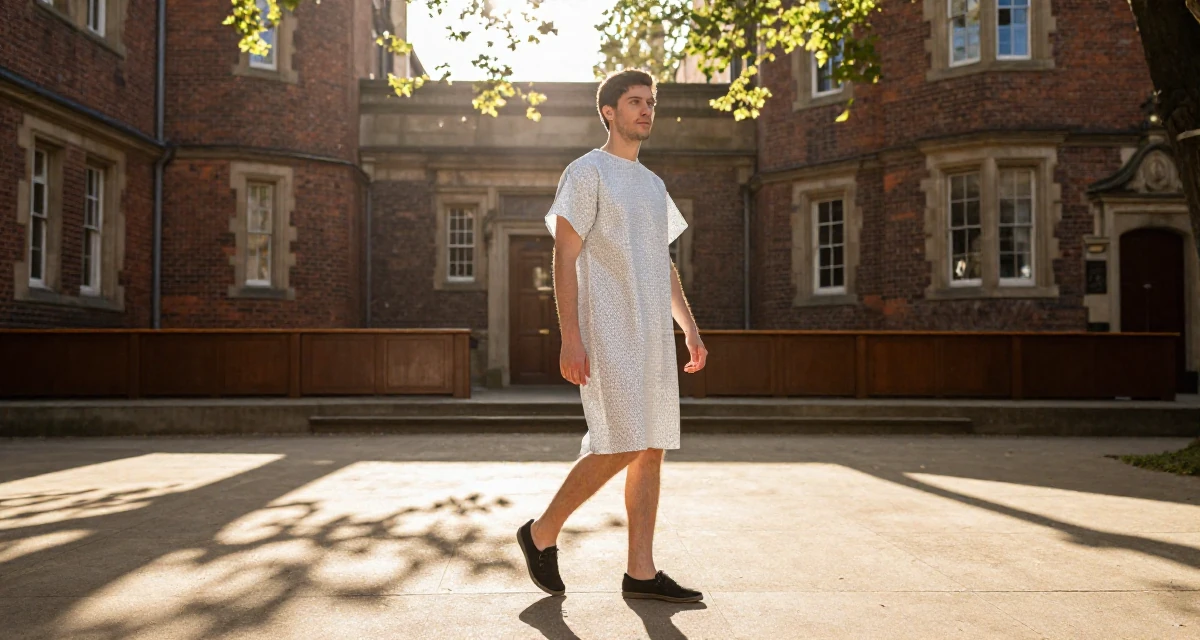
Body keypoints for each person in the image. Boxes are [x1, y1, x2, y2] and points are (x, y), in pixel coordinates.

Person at [516, 69, 708, 603]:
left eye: (650, 102)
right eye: (634, 102)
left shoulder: (653, 185)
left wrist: (688, 327)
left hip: (653, 335)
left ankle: (640, 573)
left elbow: (663, 263)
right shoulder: (586, 173)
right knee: (619, 440)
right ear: (608, 111)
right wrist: (569, 336)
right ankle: (540, 534)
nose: (646, 110)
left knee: (651, 448)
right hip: (608, 330)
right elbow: (565, 257)